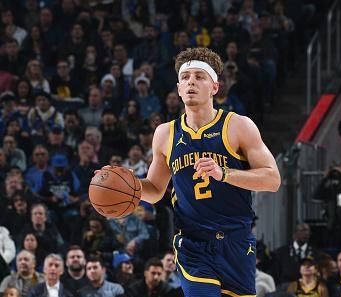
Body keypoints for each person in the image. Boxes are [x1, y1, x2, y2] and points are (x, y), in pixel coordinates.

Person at [98, 47, 280, 297]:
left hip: (236, 241)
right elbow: (155, 190)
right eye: (185, 77)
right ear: (179, 88)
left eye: (199, 76)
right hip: (193, 242)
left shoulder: (238, 126)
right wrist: (128, 185)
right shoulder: (165, 134)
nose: (191, 82)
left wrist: (225, 173)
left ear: (215, 87)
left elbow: (272, 179)